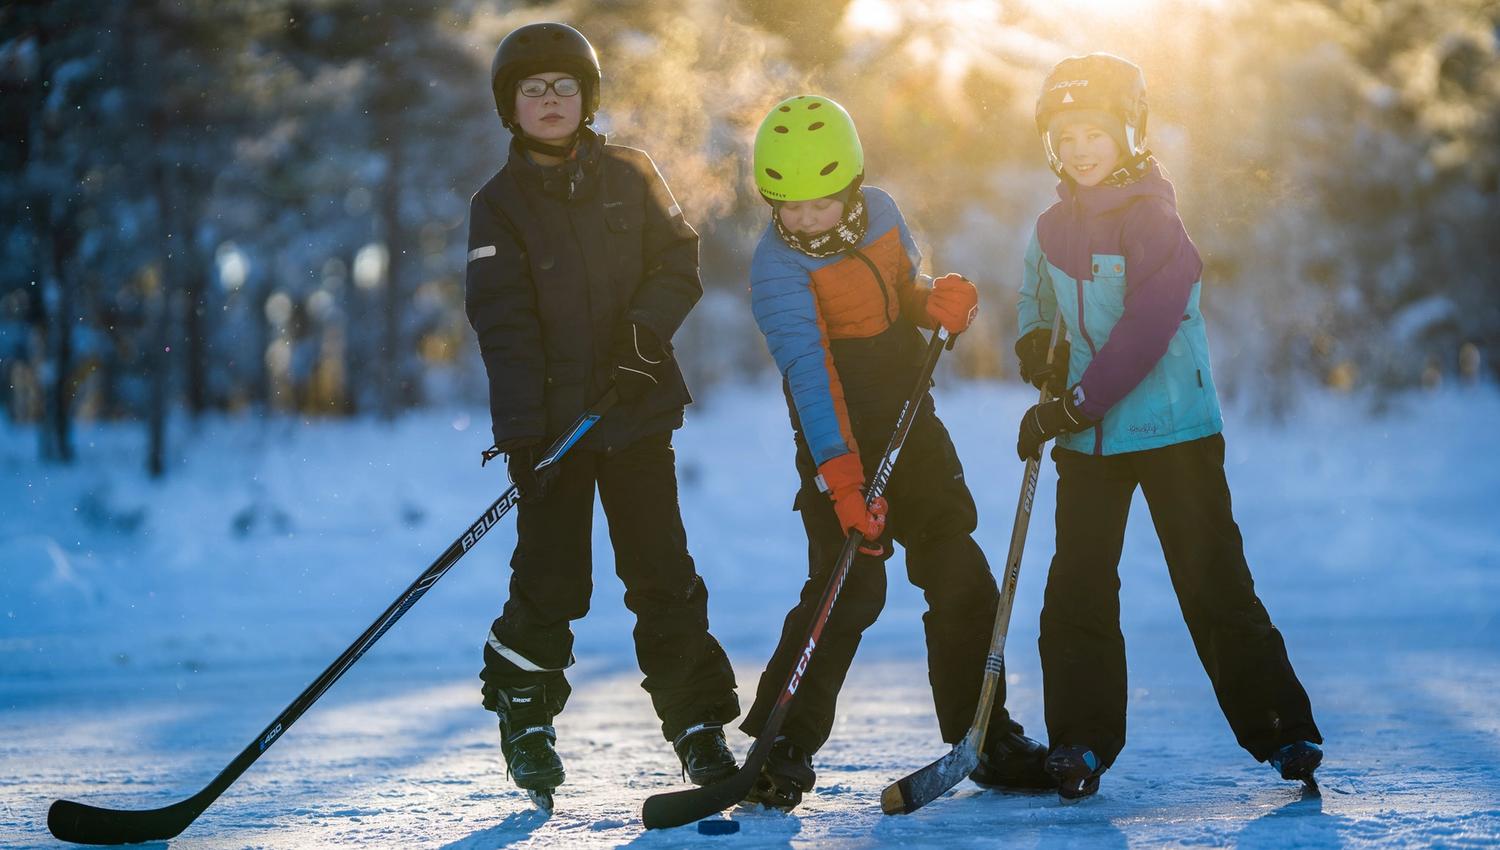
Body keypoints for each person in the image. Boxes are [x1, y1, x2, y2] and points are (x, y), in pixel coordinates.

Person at [1014, 52, 1324, 801]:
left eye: (1095, 130)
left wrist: (1073, 403)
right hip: (1089, 444)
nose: (1081, 146)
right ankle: (1081, 743)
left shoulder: (1156, 222)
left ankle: (1280, 727)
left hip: (1173, 431)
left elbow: (1144, 332)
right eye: (1066, 133)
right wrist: (1033, 342)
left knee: (1212, 581)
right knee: (1077, 592)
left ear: (1128, 132)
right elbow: (1035, 294)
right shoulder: (1053, 227)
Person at [740, 94, 1052, 810]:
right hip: (835, 436)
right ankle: (779, 745)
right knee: (851, 588)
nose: (806, 221)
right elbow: (813, 381)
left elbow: (899, 294)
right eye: (788, 207)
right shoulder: (776, 271)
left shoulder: (881, 212)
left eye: (821, 203)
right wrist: (843, 481)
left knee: (959, 568)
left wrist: (932, 301)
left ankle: (986, 733)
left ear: (851, 186)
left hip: (914, 421)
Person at [463, 21, 739, 804]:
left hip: (637, 413)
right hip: (553, 431)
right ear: (508, 107)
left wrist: (643, 335)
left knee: (662, 574)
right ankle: (525, 715)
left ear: (587, 99)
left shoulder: (632, 172)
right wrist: (521, 433)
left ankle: (697, 727)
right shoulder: (498, 205)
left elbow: (678, 258)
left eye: (563, 88)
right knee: (553, 581)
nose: (549, 101)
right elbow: (502, 323)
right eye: (532, 90)